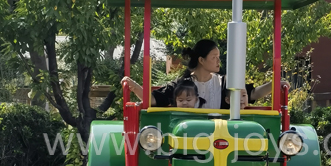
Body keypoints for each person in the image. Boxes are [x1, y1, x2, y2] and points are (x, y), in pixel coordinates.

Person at [122, 39, 289, 108]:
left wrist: (275, 83)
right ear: (201, 60)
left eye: (218, 57)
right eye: (214, 57)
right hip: (189, 138)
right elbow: (153, 99)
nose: (218, 61)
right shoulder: (182, 85)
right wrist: (134, 86)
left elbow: (252, 93)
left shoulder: (225, 82)